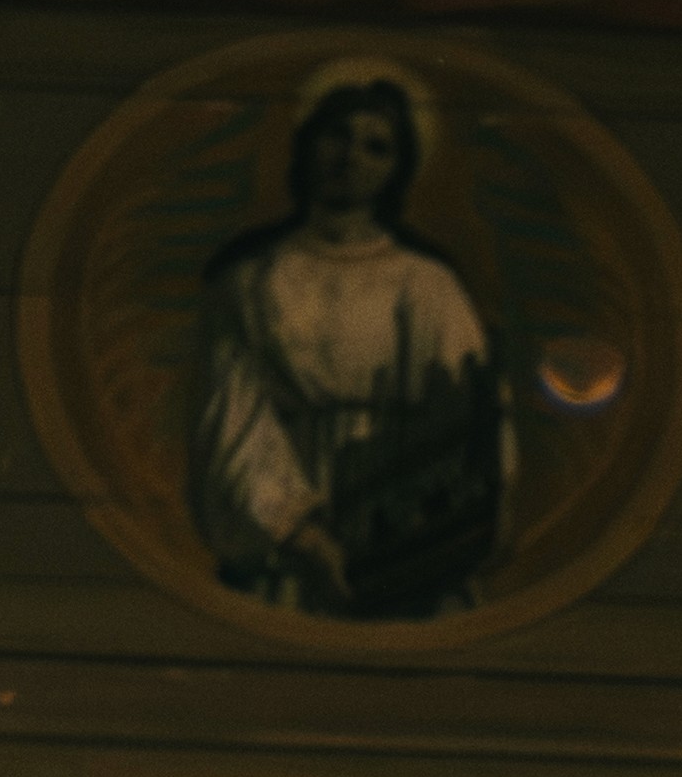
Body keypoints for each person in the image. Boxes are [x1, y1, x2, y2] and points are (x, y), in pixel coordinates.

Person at [193, 70, 508, 618]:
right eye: (336, 135)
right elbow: (232, 422)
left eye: (376, 147)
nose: (350, 157)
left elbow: (471, 423)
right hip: (286, 536)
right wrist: (301, 535)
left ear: (397, 168)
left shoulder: (427, 285)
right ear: (308, 144)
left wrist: (415, 532)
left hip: (404, 536)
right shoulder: (246, 282)